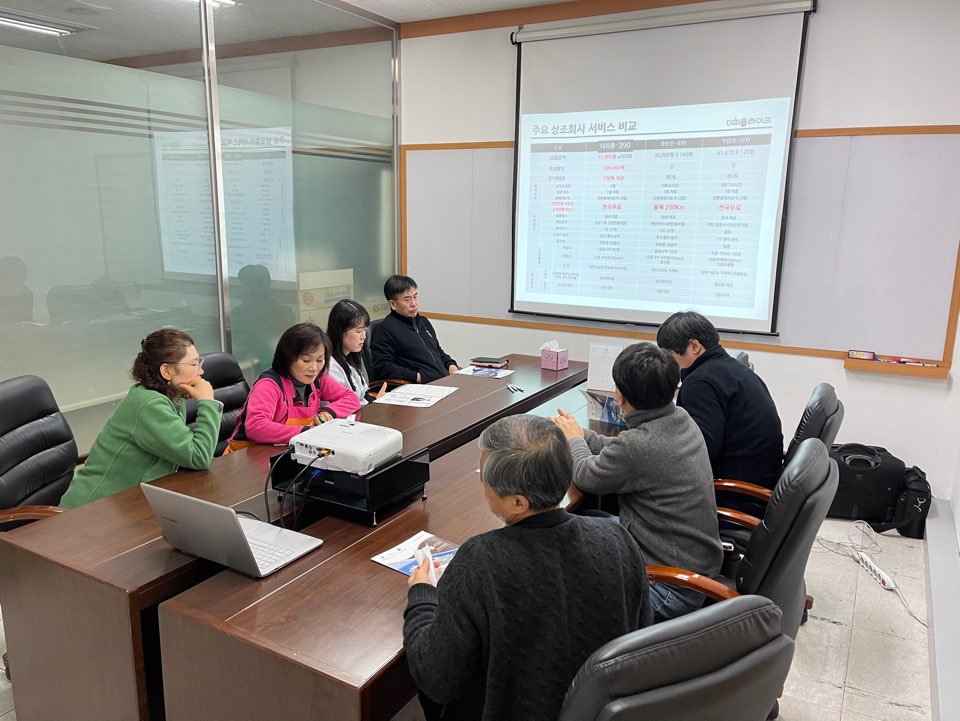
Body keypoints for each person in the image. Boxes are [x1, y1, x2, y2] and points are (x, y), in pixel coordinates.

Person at [403, 415, 650, 721]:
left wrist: (422, 596)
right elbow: (640, 642)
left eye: (485, 478)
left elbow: (437, 679)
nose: (482, 483)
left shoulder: (480, 560)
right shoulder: (618, 539)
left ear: (519, 502)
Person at [551, 342, 722, 623]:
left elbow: (585, 475)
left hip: (668, 588)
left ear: (619, 395)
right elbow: (621, 450)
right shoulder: (679, 417)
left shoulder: (639, 445)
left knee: (561, 576)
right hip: (693, 569)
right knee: (587, 518)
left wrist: (573, 441)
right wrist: (578, 434)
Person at [60, 329, 222, 508]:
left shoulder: (172, 396)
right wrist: (207, 402)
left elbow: (187, 453)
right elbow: (199, 457)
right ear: (166, 371)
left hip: (130, 503)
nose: (201, 370)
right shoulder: (149, 404)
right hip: (92, 509)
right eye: (194, 364)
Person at [656, 311, 784, 489]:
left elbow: (699, 453)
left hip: (734, 490)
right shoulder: (736, 370)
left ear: (694, 346)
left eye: (668, 354)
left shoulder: (700, 382)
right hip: (759, 479)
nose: (667, 362)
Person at [225, 322, 361, 450]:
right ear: (288, 358)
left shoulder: (318, 379)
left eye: (320, 360)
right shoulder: (268, 385)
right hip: (247, 456)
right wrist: (308, 432)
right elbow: (256, 427)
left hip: (286, 451)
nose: (314, 368)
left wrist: (328, 412)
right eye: (306, 360)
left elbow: (351, 398)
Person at [371, 275, 458, 384]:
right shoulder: (385, 329)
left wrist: (451, 365)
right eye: (407, 299)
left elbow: (437, 351)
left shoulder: (423, 322)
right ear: (393, 304)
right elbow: (382, 366)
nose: (414, 304)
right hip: (422, 387)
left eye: (415, 297)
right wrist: (417, 377)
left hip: (444, 381)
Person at [325, 299, 385, 405]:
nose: (363, 336)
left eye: (365, 330)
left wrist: (376, 401)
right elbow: (343, 405)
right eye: (358, 331)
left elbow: (363, 394)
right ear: (340, 331)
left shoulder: (350, 355)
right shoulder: (330, 365)